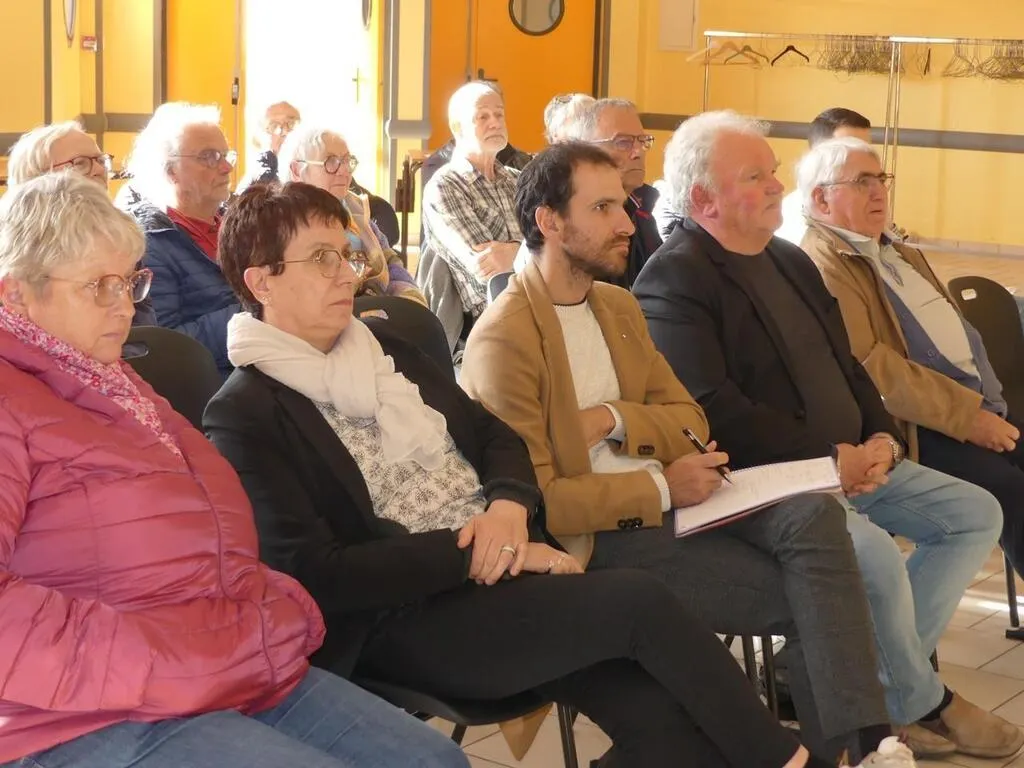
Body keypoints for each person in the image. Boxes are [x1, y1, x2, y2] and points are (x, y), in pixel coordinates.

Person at [199, 180, 903, 768]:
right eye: (320, 258)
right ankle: (790, 761)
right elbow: (316, 573)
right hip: (404, 618)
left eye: (347, 252)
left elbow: (495, 439)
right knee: (638, 600)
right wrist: (482, 549)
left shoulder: (387, 350)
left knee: (666, 722)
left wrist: (508, 508)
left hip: (506, 574)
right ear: (262, 281)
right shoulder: (245, 413)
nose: (346, 272)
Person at [0, 172, 469, 768]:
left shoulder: (115, 382)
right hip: (77, 713)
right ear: (17, 296)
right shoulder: (14, 399)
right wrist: (158, 660)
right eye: (99, 287)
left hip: (212, 665)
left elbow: (210, 535)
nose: (124, 307)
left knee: (435, 762)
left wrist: (265, 609)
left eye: (130, 282)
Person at [460, 142, 895, 764]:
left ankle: (860, 746)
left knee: (817, 517)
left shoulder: (616, 306)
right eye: (602, 208)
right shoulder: (505, 338)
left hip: (679, 498)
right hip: (604, 536)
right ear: (549, 222)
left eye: (623, 205)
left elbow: (690, 419)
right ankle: (854, 750)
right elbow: (544, 502)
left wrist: (612, 419)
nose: (625, 223)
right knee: (819, 598)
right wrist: (664, 487)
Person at [633, 110, 1020, 759]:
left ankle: (886, 690)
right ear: (705, 199)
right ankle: (922, 702)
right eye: (755, 177)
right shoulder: (675, 278)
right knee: (874, 558)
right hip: (766, 482)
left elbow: (850, 365)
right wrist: (829, 458)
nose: (776, 186)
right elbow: (711, 410)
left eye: (773, 172)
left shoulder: (786, 258)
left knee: (975, 513)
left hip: (853, 461)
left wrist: (882, 439)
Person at [798, 135, 1024, 586]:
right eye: (862, 182)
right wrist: (968, 418)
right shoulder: (825, 263)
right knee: (1011, 490)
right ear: (822, 198)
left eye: (880, 179)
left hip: (972, 405)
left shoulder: (896, 250)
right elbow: (871, 366)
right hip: (917, 428)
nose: (879, 192)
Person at [122, 102, 241, 377]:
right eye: (209, 157)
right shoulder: (149, 243)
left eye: (226, 155)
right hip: (213, 386)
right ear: (170, 170)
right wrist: (257, 311)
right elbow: (166, 346)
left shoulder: (238, 224)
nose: (226, 167)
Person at [7, 121, 156, 329]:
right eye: (80, 163)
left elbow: (142, 327)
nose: (99, 170)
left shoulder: (119, 237)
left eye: (101, 160)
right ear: (39, 178)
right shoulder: (16, 249)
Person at [512, 98, 660, 290]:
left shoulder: (643, 207)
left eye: (643, 141)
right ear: (584, 150)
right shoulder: (560, 226)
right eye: (623, 142)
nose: (638, 152)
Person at [278, 124, 425, 305]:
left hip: (378, 306)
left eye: (347, 161)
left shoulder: (356, 212)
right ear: (296, 170)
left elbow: (390, 262)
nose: (345, 170)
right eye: (331, 162)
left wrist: (410, 298)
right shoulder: (286, 226)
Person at [422, 81, 524, 321]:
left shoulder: (518, 180)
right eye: (482, 117)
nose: (495, 123)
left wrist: (514, 252)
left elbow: (557, 247)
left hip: (540, 304)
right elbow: (488, 270)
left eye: (499, 114)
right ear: (458, 128)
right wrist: (533, 251)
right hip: (491, 319)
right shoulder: (445, 185)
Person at [774, 107, 910, 246]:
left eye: (865, 147)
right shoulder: (793, 225)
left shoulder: (869, 203)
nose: (863, 155)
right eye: (848, 147)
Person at [235, 99, 301, 195]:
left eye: (291, 124)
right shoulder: (261, 173)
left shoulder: (306, 165)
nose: (284, 132)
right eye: (274, 126)